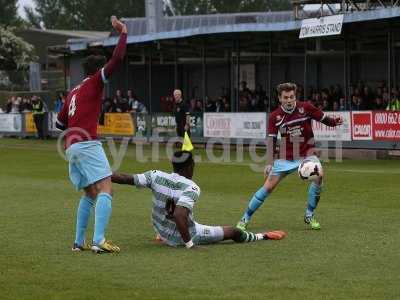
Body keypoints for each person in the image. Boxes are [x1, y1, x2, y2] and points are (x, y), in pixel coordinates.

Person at [111, 151, 287, 248]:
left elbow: (127, 178)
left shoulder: (155, 175)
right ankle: (262, 236)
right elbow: (180, 215)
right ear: (190, 166)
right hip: (183, 236)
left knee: (176, 217)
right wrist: (189, 244)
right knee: (233, 232)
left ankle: (163, 236)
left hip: (161, 229)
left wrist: (104, 175)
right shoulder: (191, 187)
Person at [56, 16, 127, 254]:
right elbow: (117, 59)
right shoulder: (95, 83)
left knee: (89, 193)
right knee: (107, 188)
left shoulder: (73, 92)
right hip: (86, 143)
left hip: (71, 146)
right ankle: (98, 240)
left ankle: (78, 242)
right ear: (98, 71)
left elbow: (59, 123)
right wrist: (123, 32)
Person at [236, 82, 343, 231]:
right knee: (268, 187)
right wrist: (269, 162)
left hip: (307, 154)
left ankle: (309, 215)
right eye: (285, 97)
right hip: (285, 158)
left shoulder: (305, 107)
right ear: (280, 98)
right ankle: (245, 218)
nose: (289, 100)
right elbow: (271, 139)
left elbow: (323, 118)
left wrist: (334, 122)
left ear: (295, 96)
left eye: (291, 97)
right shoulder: (274, 116)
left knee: (319, 176)